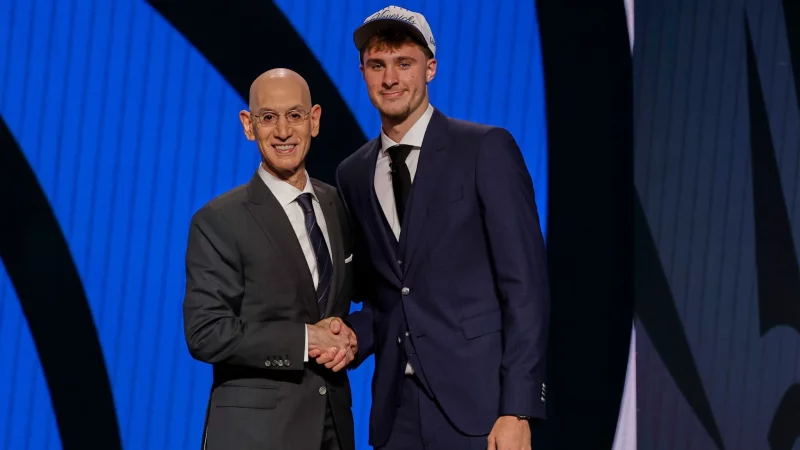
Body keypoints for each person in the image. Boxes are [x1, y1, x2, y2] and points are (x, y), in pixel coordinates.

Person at [312, 5, 551, 450]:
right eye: (377, 65)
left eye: (404, 63)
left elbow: (525, 287)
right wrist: (346, 336)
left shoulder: (484, 149)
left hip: (480, 411)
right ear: (362, 72)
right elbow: (384, 296)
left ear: (431, 69)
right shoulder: (353, 173)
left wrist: (517, 408)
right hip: (395, 412)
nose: (390, 79)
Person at [182, 68, 358, 450]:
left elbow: (362, 299)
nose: (282, 131)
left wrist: (350, 336)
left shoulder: (337, 206)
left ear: (314, 121)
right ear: (249, 125)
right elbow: (205, 333)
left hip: (333, 428)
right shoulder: (220, 220)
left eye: (294, 115)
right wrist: (304, 338)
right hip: (255, 435)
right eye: (268, 117)